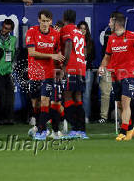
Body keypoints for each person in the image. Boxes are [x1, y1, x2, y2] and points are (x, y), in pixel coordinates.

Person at [98, 12, 134, 141]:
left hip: (130, 74)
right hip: (115, 75)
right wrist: (102, 66)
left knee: (125, 102)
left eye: (110, 22)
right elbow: (107, 56)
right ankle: (131, 128)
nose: (109, 24)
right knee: (120, 104)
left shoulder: (133, 37)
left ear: (116, 23)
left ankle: (123, 131)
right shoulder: (111, 38)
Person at [25, 10, 64, 140]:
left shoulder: (56, 35)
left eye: (47, 21)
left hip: (48, 73)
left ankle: (41, 131)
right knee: (35, 103)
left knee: (44, 101)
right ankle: (38, 125)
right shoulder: (32, 31)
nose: (45, 24)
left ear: (51, 21)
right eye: (43, 21)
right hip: (34, 72)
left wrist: (60, 66)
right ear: (38, 20)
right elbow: (31, 52)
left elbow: (59, 53)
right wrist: (51, 55)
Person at [60, 10, 89, 139]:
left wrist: (64, 66)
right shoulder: (80, 32)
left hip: (71, 67)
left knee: (66, 97)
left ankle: (75, 128)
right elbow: (84, 51)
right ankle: (82, 131)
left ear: (64, 18)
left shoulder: (67, 29)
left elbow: (68, 44)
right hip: (81, 67)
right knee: (78, 98)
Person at [0, 19, 18, 125]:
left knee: (10, 96)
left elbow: (15, 54)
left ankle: (10, 118)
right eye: (3, 27)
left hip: (8, 72)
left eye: (7, 28)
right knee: (2, 98)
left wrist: (13, 65)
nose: (3, 30)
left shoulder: (13, 39)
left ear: (11, 30)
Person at [77, 21, 95, 123]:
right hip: (77, 71)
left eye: (84, 28)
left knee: (86, 94)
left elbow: (93, 56)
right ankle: (77, 116)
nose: (83, 30)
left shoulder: (90, 42)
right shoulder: (74, 41)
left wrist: (85, 54)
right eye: (81, 28)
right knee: (76, 94)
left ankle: (86, 116)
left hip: (87, 70)